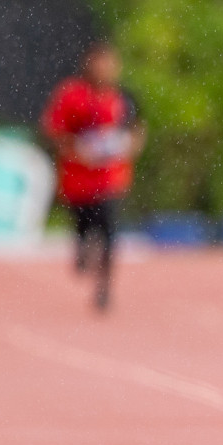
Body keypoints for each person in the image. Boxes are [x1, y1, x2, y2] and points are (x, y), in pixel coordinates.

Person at [41, 42, 146, 312]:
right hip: (77, 181)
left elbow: (137, 132)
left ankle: (104, 289)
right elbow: (54, 130)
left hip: (110, 180)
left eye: (110, 63)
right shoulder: (71, 95)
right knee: (84, 227)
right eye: (100, 63)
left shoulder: (124, 99)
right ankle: (81, 249)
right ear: (88, 64)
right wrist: (78, 150)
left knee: (109, 233)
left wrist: (127, 147)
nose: (105, 69)